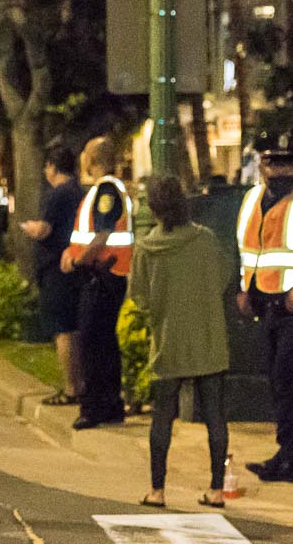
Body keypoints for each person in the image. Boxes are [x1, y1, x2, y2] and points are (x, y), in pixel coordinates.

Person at [130, 176, 233, 507]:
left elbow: (139, 297)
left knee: (163, 416)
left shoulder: (146, 249)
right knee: (215, 415)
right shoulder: (205, 240)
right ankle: (216, 490)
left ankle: (157, 490)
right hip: (208, 337)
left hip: (168, 340)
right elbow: (223, 277)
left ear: (154, 208)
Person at [237, 129, 293, 482]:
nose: (279, 169)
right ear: (260, 163)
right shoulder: (252, 200)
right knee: (278, 383)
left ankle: (288, 458)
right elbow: (245, 249)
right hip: (265, 305)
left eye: (286, 163)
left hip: (290, 309)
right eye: (273, 162)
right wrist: (243, 289)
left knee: (287, 382)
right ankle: (285, 454)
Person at [63, 146, 132, 429]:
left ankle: (93, 408)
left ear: (91, 160)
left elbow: (102, 235)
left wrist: (78, 261)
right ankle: (111, 405)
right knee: (104, 344)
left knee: (91, 344)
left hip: (102, 275)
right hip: (105, 274)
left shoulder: (106, 190)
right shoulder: (106, 189)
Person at [22, 146, 87, 406]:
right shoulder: (79, 192)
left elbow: (45, 230)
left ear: (52, 166)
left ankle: (71, 388)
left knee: (62, 329)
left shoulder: (57, 194)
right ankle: (81, 384)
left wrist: (30, 228)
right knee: (75, 327)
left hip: (56, 268)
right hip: (76, 263)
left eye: (46, 166)